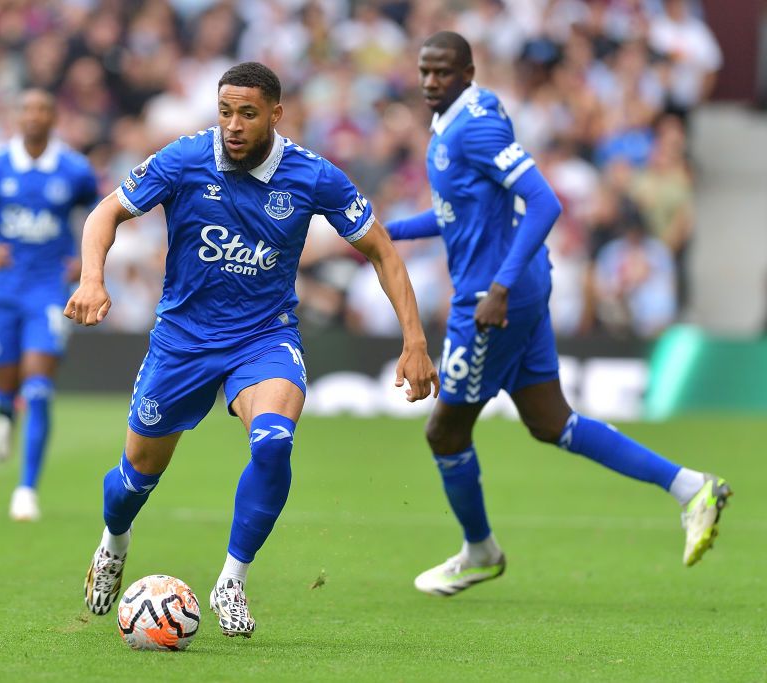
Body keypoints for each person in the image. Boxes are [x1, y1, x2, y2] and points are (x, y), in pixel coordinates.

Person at [64, 62, 440, 637]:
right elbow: (106, 212)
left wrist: (414, 341)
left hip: (263, 338)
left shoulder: (313, 176)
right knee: (135, 478)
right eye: (224, 112)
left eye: (246, 113)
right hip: (183, 341)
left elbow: (384, 252)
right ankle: (114, 542)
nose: (233, 125)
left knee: (272, 444)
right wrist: (93, 278)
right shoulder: (185, 159)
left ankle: (232, 580)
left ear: (275, 115)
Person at [386, 31, 731, 597]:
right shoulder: (457, 116)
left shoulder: (475, 125)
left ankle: (480, 551)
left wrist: (497, 288)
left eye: (442, 72)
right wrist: (388, 232)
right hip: (520, 284)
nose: (430, 82)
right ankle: (691, 487)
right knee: (552, 423)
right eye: (424, 71)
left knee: (445, 432)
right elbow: (461, 214)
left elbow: (545, 201)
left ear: (468, 72)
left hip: (495, 298)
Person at [0, 89, 98, 522]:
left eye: (42, 109)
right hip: (2, 287)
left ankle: (26, 489)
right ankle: (3, 412)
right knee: (7, 381)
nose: (34, 116)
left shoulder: (74, 169)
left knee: (38, 389)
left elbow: (99, 213)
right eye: (27, 109)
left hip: (49, 290)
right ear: (17, 117)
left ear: (54, 118)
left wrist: (85, 258)